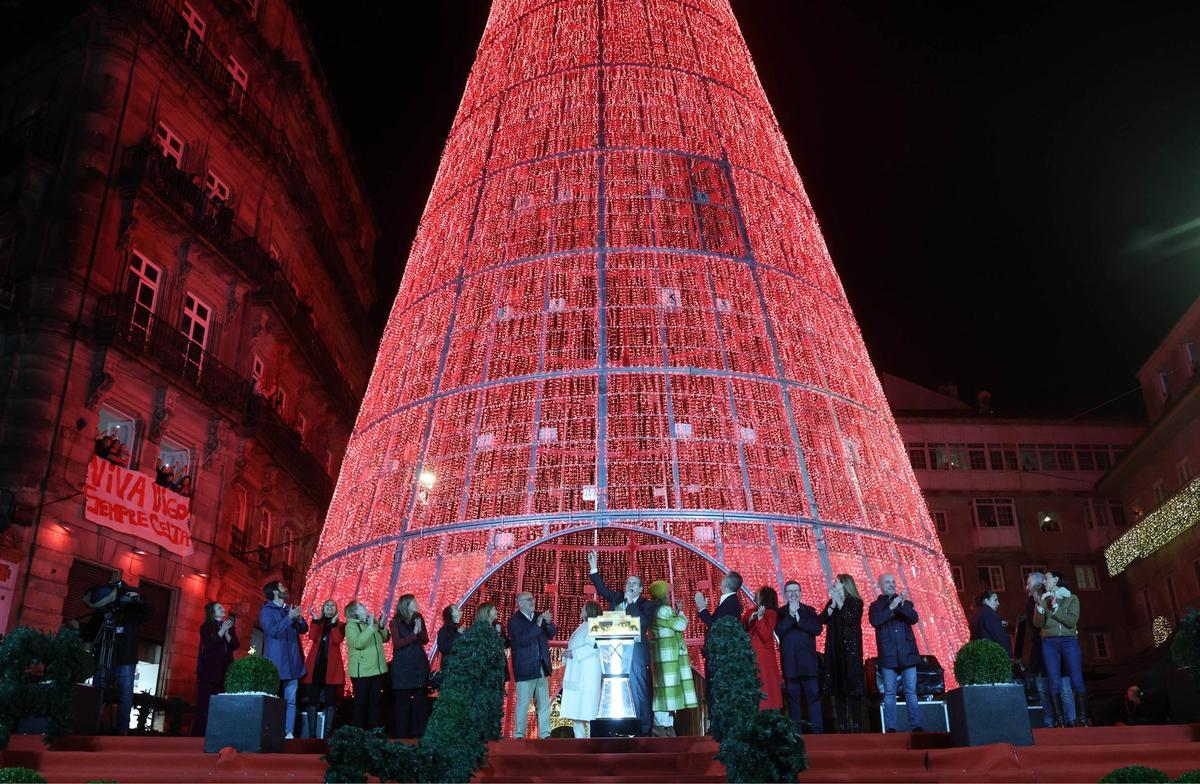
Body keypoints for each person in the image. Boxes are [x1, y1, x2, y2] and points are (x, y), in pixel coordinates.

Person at [588, 551, 657, 736]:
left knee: (639, 691)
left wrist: (631, 601)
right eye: (628, 582)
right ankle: (619, 728)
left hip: (636, 654)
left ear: (641, 588)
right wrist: (594, 569)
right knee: (616, 689)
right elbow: (602, 590)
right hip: (614, 652)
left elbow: (642, 622)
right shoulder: (618, 598)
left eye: (634, 583)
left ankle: (643, 730)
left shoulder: (647, 605)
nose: (629, 585)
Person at [83, 583, 152, 735]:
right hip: (104, 658)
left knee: (125, 697)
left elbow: (149, 612)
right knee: (98, 693)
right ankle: (90, 726)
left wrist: (138, 599)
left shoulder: (132, 609)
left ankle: (122, 731)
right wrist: (77, 628)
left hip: (126, 658)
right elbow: (90, 633)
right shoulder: (103, 611)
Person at [1016, 572, 1073, 727]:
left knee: (1063, 686)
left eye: (1028, 583)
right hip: (1040, 649)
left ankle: (1070, 720)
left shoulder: (1055, 596)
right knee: (1043, 688)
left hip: (1056, 646)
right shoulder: (1031, 602)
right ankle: (1052, 720)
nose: (1026, 586)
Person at [869, 573, 922, 733]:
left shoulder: (905, 603)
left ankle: (916, 726)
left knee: (911, 691)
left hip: (908, 654)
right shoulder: (875, 606)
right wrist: (891, 608)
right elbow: (875, 622)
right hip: (888, 655)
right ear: (880, 585)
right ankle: (891, 727)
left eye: (893, 581)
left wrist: (902, 604)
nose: (891, 584)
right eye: (887, 582)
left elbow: (913, 618)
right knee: (890, 692)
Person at [1033, 570, 1087, 727]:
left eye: (1047, 579)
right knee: (1054, 681)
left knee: (1076, 679)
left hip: (1069, 641)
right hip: (1049, 642)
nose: (1044, 582)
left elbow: (1071, 621)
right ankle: (1060, 720)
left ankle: (1082, 718)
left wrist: (1056, 608)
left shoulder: (1072, 598)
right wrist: (1039, 607)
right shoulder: (1043, 599)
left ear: (1056, 580)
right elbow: (1038, 624)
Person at [647, 580, 697, 737]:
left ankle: (666, 728)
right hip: (668, 657)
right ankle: (663, 728)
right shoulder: (664, 610)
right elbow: (681, 625)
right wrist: (681, 613)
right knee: (667, 692)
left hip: (660, 656)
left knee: (664, 691)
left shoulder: (654, 611)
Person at [259, 580, 307, 739]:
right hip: (275, 661)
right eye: (281, 587)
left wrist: (299, 619)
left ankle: (289, 731)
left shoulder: (289, 609)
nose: (285, 588)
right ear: (274, 592)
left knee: (291, 700)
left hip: (292, 661)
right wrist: (289, 618)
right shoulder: (266, 610)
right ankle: (270, 731)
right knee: (272, 699)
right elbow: (271, 630)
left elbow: (303, 629)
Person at [695, 569, 744, 717]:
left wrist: (702, 608)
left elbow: (717, 626)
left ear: (727, 583)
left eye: (723, 579)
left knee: (716, 691)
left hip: (721, 657)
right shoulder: (728, 602)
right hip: (715, 655)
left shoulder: (731, 603)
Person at [508, 591, 557, 739]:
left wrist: (548, 623)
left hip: (541, 666)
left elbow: (551, 634)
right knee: (523, 702)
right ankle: (519, 734)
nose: (532, 601)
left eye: (533, 598)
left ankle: (545, 734)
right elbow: (522, 640)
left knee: (544, 702)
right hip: (525, 666)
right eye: (528, 599)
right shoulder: (514, 621)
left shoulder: (538, 617)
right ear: (520, 603)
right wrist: (537, 625)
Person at [777, 580, 823, 733]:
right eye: (790, 591)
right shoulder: (780, 612)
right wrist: (790, 616)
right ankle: (796, 734)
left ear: (801, 593)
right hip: (790, 665)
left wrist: (799, 619)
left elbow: (817, 629)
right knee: (793, 701)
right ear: (785, 594)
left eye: (796, 591)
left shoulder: (809, 611)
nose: (793, 594)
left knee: (813, 698)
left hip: (809, 665)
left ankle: (817, 732)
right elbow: (779, 631)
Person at [821, 574, 865, 732]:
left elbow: (850, 619)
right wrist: (832, 605)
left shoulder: (856, 602)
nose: (834, 584)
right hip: (835, 652)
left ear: (845, 585)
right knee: (838, 688)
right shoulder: (831, 603)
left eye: (837, 582)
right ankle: (841, 726)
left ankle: (856, 725)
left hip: (851, 653)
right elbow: (821, 620)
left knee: (853, 689)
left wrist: (839, 602)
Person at [300, 600, 344, 739]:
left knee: (330, 702)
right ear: (323, 608)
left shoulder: (341, 624)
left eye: (332, 605)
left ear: (336, 609)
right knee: (312, 701)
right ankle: (312, 735)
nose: (330, 607)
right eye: (327, 605)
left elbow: (337, 640)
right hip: (316, 668)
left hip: (331, 670)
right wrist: (315, 621)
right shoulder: (319, 622)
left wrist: (334, 624)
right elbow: (312, 636)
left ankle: (327, 736)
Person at [193, 601, 238, 736]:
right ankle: (199, 735)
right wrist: (222, 630)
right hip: (208, 672)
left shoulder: (230, 627)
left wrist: (227, 634)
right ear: (212, 612)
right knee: (203, 707)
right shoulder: (206, 627)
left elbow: (235, 645)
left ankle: (217, 734)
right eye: (219, 608)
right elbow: (209, 645)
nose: (223, 609)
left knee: (221, 707)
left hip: (225, 672)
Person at [559, 601, 603, 738]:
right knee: (575, 707)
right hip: (576, 671)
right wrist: (568, 654)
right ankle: (579, 738)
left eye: (583, 609)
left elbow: (593, 647)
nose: (581, 610)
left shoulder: (596, 626)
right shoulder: (582, 626)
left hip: (588, 671)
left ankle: (591, 738)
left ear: (590, 611)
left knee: (588, 706)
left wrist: (574, 654)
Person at [389, 594, 430, 738]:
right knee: (402, 706)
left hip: (418, 666)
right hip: (403, 669)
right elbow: (398, 644)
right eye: (414, 602)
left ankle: (418, 735)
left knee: (420, 705)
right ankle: (402, 737)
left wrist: (419, 630)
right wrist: (414, 634)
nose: (417, 603)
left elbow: (425, 640)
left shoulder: (418, 618)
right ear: (406, 605)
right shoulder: (395, 623)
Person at [344, 600, 389, 730]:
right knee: (361, 704)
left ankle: (373, 733)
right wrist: (370, 628)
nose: (365, 608)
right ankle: (358, 734)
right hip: (362, 672)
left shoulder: (370, 623)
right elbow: (358, 643)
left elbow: (385, 638)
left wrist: (380, 626)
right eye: (362, 607)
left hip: (377, 670)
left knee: (374, 704)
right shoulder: (350, 626)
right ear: (355, 611)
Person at [742, 586, 784, 711]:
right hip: (751, 656)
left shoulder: (771, 613)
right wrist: (752, 618)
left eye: (758, 593)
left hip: (764, 658)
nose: (755, 594)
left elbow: (765, 635)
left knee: (766, 687)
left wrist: (760, 618)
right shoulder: (751, 611)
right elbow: (744, 624)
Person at [969, 590, 1012, 657]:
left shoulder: (975, 614)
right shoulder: (989, 613)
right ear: (986, 601)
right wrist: (1009, 654)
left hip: (979, 656)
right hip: (992, 656)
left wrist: (998, 623)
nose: (998, 603)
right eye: (995, 600)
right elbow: (1000, 637)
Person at [436, 604, 466, 674]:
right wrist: (458, 634)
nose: (458, 608)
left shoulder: (460, 627)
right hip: (450, 669)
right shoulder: (445, 629)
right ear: (451, 614)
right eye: (455, 608)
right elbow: (443, 647)